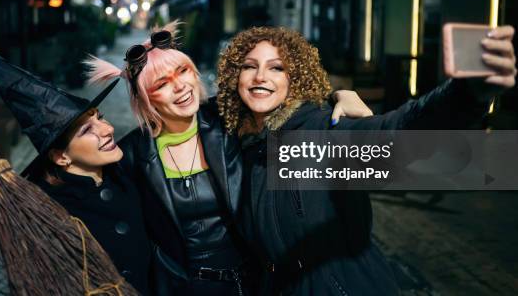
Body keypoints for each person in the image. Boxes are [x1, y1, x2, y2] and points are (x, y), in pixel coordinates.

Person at [215, 25, 516, 295]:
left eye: (277, 68)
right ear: (235, 77)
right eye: (249, 66)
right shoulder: (241, 143)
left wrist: (468, 93)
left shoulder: (322, 135)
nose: (260, 77)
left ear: (295, 79)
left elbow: (398, 132)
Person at [87, 23, 373, 295]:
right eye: (162, 83)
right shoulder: (131, 156)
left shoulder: (228, 120)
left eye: (183, 71)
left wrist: (338, 98)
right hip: (180, 289)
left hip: (250, 284)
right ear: (145, 99)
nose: (180, 86)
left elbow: (283, 102)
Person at [0, 17, 152, 294]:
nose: (107, 129)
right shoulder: (38, 203)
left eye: (101, 118)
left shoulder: (131, 168)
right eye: (87, 129)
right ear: (61, 157)